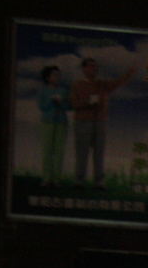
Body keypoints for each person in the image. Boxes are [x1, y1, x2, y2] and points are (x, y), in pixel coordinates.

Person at [71, 57, 136, 189]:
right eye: (91, 66)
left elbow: (117, 83)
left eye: (96, 66)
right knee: (82, 152)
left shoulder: (102, 84)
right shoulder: (77, 84)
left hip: (100, 122)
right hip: (83, 122)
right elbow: (73, 103)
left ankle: (99, 182)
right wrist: (88, 103)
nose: (95, 69)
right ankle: (79, 180)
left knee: (99, 152)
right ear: (84, 69)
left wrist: (128, 74)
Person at [36, 66, 68, 187]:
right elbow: (42, 107)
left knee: (59, 151)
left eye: (58, 75)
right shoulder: (42, 91)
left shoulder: (63, 90)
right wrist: (52, 101)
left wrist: (61, 103)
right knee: (47, 151)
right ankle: (46, 178)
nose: (57, 77)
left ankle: (56, 179)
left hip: (61, 122)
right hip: (48, 122)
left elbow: (69, 106)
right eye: (54, 75)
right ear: (48, 77)